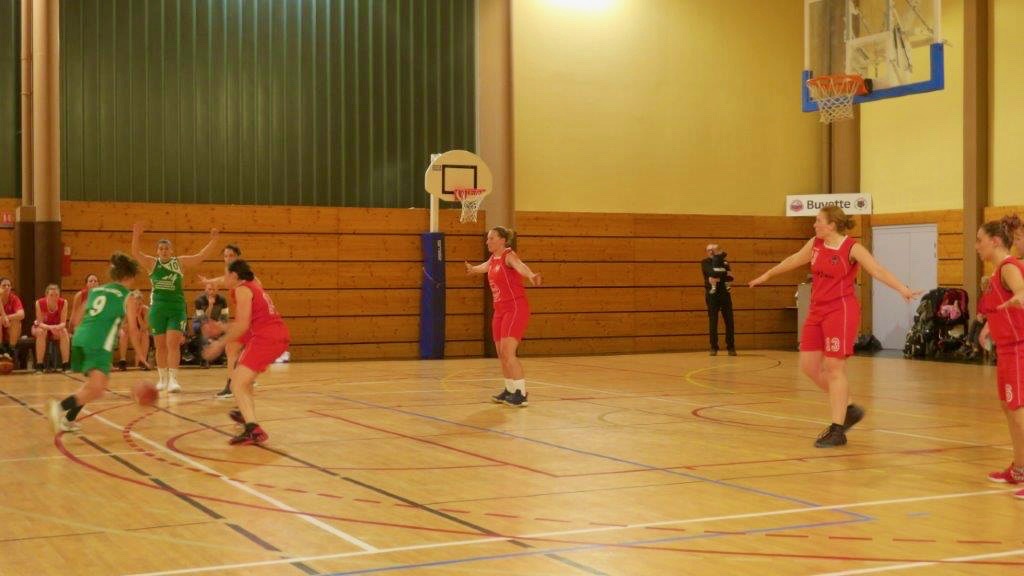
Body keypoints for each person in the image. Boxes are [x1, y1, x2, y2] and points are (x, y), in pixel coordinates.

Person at [749, 206, 920, 447]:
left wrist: (902, 288)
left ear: (831, 225)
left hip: (840, 311)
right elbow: (795, 259)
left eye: (818, 221)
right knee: (808, 366)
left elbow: (877, 270)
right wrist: (768, 274)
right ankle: (848, 407)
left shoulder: (852, 248)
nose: (814, 225)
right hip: (816, 310)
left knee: (833, 368)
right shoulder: (815, 244)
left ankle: (838, 429)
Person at [46, 253, 145, 433]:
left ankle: (69, 420)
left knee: (93, 385)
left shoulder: (97, 290)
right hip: (99, 342)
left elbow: (76, 317)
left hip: (81, 337)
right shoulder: (128, 296)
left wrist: (78, 331)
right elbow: (132, 329)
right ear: (129, 276)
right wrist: (140, 354)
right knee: (97, 389)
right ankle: (59, 408)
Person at [202, 259, 289, 445]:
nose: (224, 279)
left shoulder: (242, 289)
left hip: (266, 337)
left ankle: (253, 429)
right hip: (274, 334)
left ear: (234, 276)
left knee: (237, 384)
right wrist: (222, 327)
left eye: (226, 275)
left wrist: (218, 344)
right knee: (243, 381)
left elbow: (242, 325)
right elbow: (246, 323)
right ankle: (247, 415)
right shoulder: (252, 285)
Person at [131, 222, 220, 393]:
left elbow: (200, 256)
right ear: (157, 251)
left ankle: (173, 379)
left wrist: (214, 240)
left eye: (167, 249)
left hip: (176, 308)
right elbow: (136, 253)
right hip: (157, 308)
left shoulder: (179, 263)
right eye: (161, 249)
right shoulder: (152, 263)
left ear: (171, 251)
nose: (164, 251)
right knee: (159, 345)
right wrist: (136, 234)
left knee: (173, 344)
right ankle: (162, 379)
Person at [465, 227, 541, 407]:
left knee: (508, 352)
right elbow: (484, 267)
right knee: (501, 353)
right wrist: (473, 269)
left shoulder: (509, 255)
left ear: (502, 240)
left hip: (515, 308)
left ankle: (521, 394)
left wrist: (531, 275)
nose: (487, 241)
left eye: (491, 238)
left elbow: (520, 266)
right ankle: (509, 389)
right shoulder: (493, 259)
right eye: (488, 238)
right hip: (499, 311)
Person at [976, 215, 1024, 496]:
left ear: (995, 241)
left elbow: (1020, 289)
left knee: (1018, 412)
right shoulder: (997, 272)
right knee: (1010, 410)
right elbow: (1001, 306)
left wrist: (1020, 295)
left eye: (980, 240)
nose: (976, 246)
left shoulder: (1008, 267)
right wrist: (988, 327)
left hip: (1019, 349)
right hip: (1006, 349)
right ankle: (1020, 468)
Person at [701, 244, 736, 356]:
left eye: (712, 250)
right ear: (706, 252)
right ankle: (713, 347)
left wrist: (719, 276)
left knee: (729, 321)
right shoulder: (705, 262)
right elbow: (711, 273)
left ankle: (731, 347)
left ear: (716, 251)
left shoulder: (725, 262)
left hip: (725, 294)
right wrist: (723, 274)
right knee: (713, 321)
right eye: (708, 250)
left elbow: (730, 277)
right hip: (712, 295)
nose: (711, 252)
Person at [31, 283, 71, 373]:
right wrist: (51, 328)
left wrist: (56, 328)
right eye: (51, 295)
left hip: (56, 328)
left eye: (56, 295)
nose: (54, 297)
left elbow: (63, 323)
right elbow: (40, 323)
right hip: (41, 327)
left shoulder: (64, 303)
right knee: (42, 332)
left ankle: (66, 364)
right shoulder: (39, 303)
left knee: (64, 332)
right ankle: (39, 365)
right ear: (46, 295)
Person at [117, 290, 151, 371]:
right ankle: (122, 360)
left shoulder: (146, 310)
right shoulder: (127, 310)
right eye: (135, 304)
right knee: (123, 333)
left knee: (145, 334)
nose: (137, 306)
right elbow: (123, 327)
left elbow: (145, 327)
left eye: (139, 304)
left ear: (142, 303)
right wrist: (131, 319)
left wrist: (138, 316)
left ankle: (142, 361)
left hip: (140, 331)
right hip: (130, 331)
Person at [0, 277, 25, 358]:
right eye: (4, 285)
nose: (7, 287)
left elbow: (22, 314)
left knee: (16, 321)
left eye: (8, 285)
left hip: (10, 330)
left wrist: (7, 318)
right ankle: (0, 349)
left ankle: (11, 349)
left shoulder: (14, 298)